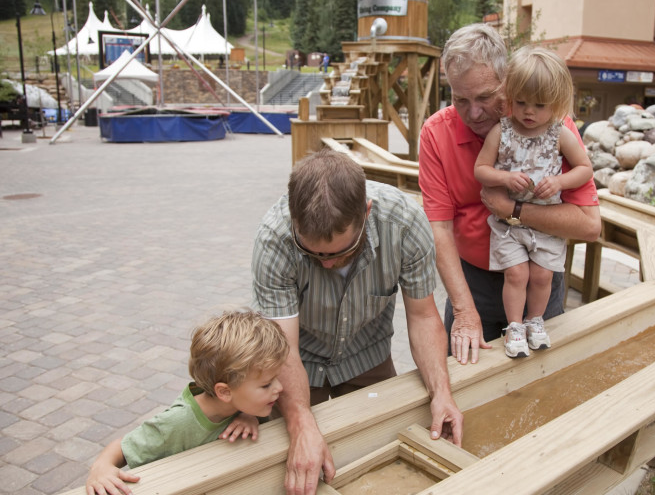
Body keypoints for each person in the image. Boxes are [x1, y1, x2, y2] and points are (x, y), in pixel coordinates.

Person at [251, 149, 462, 495]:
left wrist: (441, 393)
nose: (328, 264)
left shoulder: (405, 224)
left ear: (366, 212)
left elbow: (423, 316)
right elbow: (282, 349)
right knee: (294, 462)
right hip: (298, 359)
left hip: (368, 353)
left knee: (382, 461)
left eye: (339, 252)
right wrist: (301, 423)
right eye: (313, 254)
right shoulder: (273, 240)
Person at [418, 24, 601, 366]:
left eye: (486, 97)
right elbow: (439, 229)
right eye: (461, 100)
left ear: (508, 82)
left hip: (539, 279)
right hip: (471, 284)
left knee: (539, 390)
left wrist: (512, 210)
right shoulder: (436, 133)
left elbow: (590, 227)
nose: (473, 113)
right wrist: (464, 310)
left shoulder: (552, 127)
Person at [85, 309, 289, 495]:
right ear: (224, 392)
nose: (279, 388)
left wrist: (249, 415)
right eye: (266, 385)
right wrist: (101, 467)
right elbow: (122, 447)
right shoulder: (178, 422)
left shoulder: (245, 403)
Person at [473, 46, 594, 359]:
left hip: (546, 222)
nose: (528, 112)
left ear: (555, 104)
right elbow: (481, 169)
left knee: (542, 276)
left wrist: (559, 182)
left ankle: (535, 322)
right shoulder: (503, 131)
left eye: (539, 105)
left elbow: (584, 169)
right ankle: (514, 326)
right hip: (508, 226)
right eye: (521, 102)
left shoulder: (559, 134)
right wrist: (503, 179)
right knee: (517, 274)